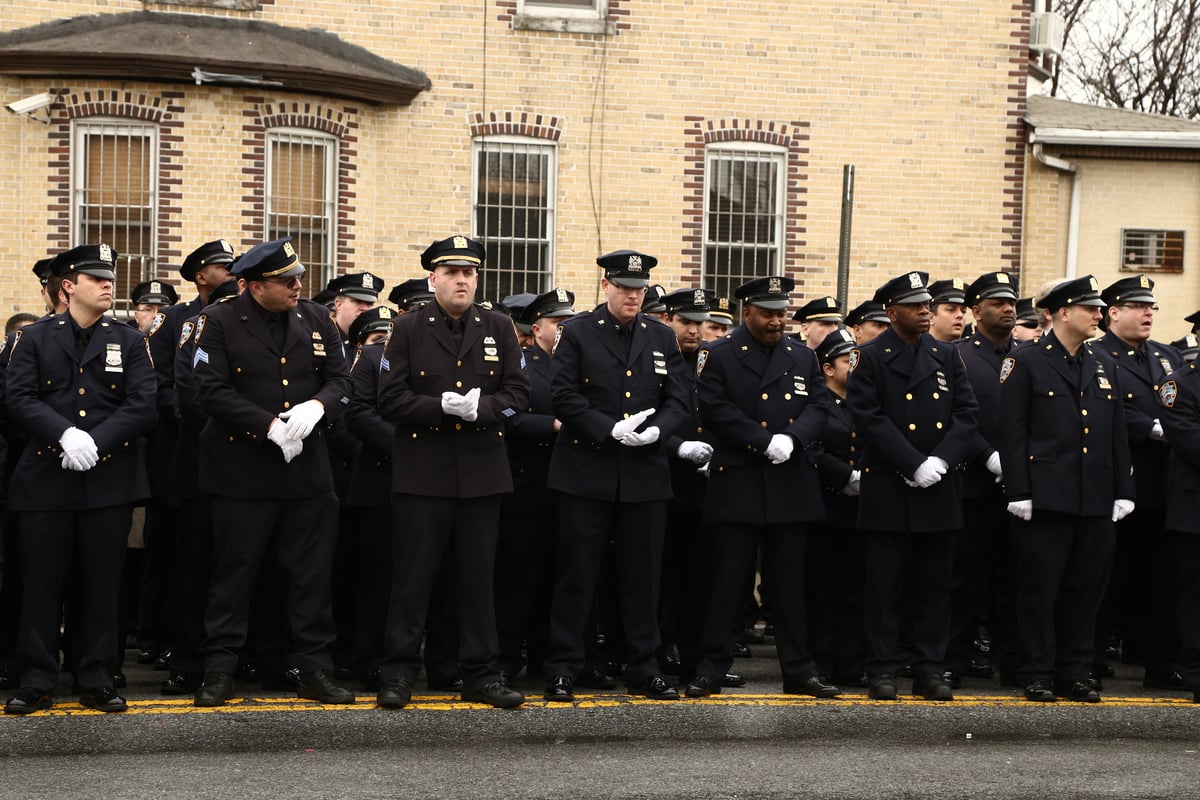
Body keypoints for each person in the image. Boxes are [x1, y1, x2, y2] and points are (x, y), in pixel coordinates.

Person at [191, 236, 355, 708]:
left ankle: (315, 670)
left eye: (299, 278)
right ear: (253, 285)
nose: (298, 286)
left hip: (306, 472)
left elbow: (341, 380)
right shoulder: (219, 321)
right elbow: (210, 390)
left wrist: (316, 407)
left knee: (311, 576)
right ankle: (219, 670)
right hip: (241, 471)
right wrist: (267, 426)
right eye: (286, 281)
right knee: (234, 574)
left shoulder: (316, 318)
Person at [374, 235, 529, 710]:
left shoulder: (499, 327)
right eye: (451, 273)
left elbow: (519, 395)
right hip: (423, 475)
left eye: (469, 273)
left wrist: (481, 409)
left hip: (482, 475)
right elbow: (389, 399)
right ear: (432, 278)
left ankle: (481, 672)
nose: (461, 280)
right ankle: (399, 672)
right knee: (413, 580)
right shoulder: (408, 328)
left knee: (478, 581)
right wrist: (440, 407)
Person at [3, 243, 156, 714]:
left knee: (101, 584)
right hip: (46, 481)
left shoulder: (129, 340)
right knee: (42, 584)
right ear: (68, 286)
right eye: (96, 278)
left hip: (107, 481)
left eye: (109, 277)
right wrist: (65, 434)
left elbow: (142, 403)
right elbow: (18, 397)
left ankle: (96, 675)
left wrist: (97, 441)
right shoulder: (34, 338)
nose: (108, 284)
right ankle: (36, 676)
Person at [542, 249, 690, 703]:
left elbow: (679, 399)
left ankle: (643, 667)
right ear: (606, 286)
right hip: (588, 470)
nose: (632, 296)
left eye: (639, 289)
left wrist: (657, 432)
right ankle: (564, 667)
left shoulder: (660, 336)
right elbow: (562, 395)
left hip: (644, 473)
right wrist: (608, 428)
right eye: (625, 287)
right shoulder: (579, 333)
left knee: (643, 577)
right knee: (577, 575)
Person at [685, 276, 837, 699]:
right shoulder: (719, 354)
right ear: (746, 312)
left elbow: (820, 405)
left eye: (781, 312)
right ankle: (712, 667)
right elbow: (714, 408)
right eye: (768, 313)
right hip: (741, 478)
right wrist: (763, 439)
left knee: (790, 585)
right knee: (728, 583)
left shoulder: (802, 356)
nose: (776, 321)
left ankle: (800, 671)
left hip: (789, 480)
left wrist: (792, 438)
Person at [998, 275, 1134, 703]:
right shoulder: (1027, 361)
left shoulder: (1101, 363)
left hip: (1094, 497)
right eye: (1089, 308)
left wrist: (1123, 489)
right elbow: (1013, 431)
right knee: (1040, 588)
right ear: (1061, 313)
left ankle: (1074, 669)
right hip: (1046, 496)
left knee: (1086, 588)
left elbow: (1115, 433)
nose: (1098, 314)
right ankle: (1037, 669)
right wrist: (1018, 490)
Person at [844, 271, 979, 702]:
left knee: (934, 588)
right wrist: (911, 462)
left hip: (938, 484)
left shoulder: (946, 354)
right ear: (891, 311)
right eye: (915, 305)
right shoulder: (870, 356)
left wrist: (940, 459)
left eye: (926, 304)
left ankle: (929, 669)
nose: (925, 311)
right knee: (884, 588)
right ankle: (881, 668)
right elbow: (868, 417)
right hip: (891, 484)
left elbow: (966, 413)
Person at [1095, 275, 1185, 690]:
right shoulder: (1096, 355)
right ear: (1113, 312)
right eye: (1138, 306)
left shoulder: (1166, 356)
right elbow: (1094, 409)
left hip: (1163, 484)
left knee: (1161, 579)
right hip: (1118, 482)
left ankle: (1159, 661)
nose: (1148, 313)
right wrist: (1146, 426)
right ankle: (1091, 655)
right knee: (1107, 574)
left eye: (1151, 307)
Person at [496, 288, 579, 683]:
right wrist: (554, 426)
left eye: (568, 322)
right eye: (557, 323)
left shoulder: (578, 363)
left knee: (558, 580)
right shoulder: (523, 365)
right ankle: (508, 658)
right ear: (537, 328)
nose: (564, 329)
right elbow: (508, 417)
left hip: (568, 487)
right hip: (527, 485)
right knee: (520, 579)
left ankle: (551, 658)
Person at [951, 272, 1020, 686]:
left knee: (1015, 581)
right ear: (977, 311)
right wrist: (987, 455)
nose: (1008, 308)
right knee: (965, 581)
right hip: (973, 486)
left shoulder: (1029, 356)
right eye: (998, 303)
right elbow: (958, 416)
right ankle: (953, 660)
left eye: (1011, 302)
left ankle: (1014, 662)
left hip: (1019, 488)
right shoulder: (957, 355)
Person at [805, 327, 868, 687]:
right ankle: (822, 660)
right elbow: (811, 446)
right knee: (822, 588)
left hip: (859, 509)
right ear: (828, 368)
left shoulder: (864, 401)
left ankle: (851, 662)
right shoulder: (817, 403)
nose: (855, 366)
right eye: (848, 360)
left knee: (855, 588)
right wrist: (844, 476)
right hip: (826, 505)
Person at [1154, 357, 1200, 703]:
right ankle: (1196, 670)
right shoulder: (1179, 385)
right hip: (1194, 510)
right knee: (1195, 596)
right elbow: (1190, 442)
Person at [325, 273, 383, 359]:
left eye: (369, 304)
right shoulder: (326, 340)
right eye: (358, 302)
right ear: (339, 304)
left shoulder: (377, 343)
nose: (364, 308)